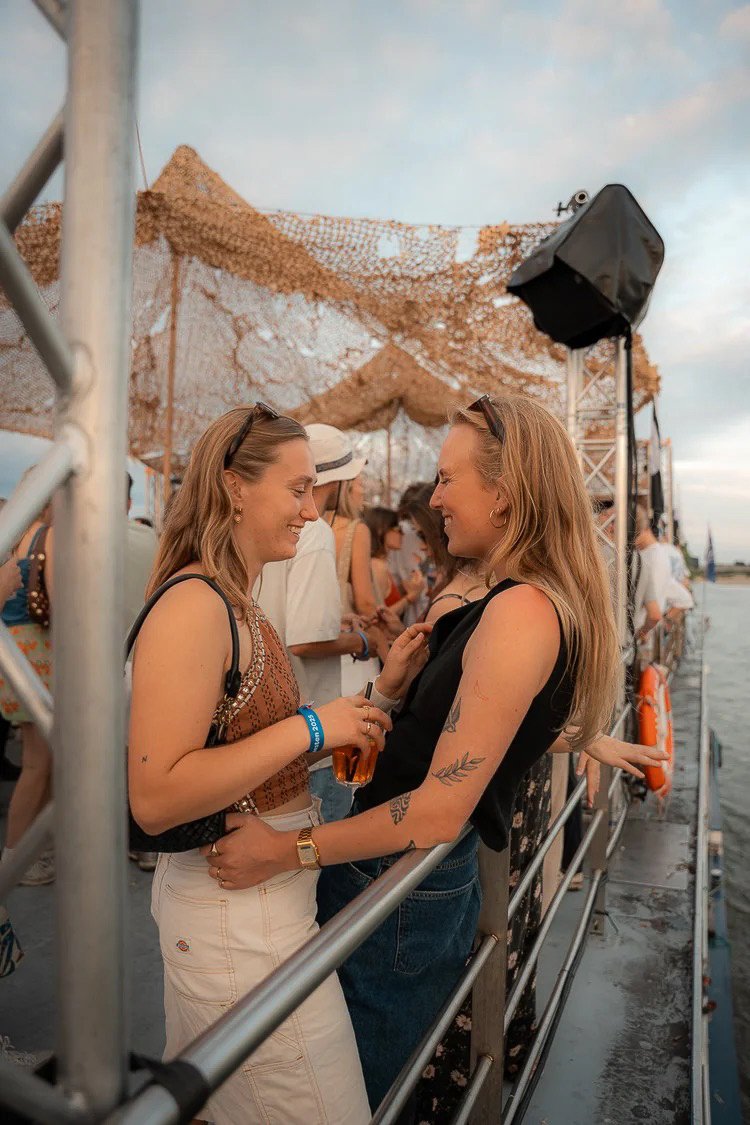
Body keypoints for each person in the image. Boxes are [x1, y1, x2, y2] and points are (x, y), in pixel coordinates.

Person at [202, 393, 667, 1109]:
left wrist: (282, 850)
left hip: (401, 884)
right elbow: (499, 727)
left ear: (506, 495)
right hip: (402, 878)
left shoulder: (518, 612)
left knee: (349, 1092)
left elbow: (438, 810)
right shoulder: (519, 600)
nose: (437, 495)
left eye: (449, 478)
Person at [128, 403, 427, 1124]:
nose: (309, 511)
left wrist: (366, 704)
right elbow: (157, 794)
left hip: (256, 913)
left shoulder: (238, 597)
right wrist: (315, 724)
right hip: (238, 923)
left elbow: (242, 739)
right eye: (296, 490)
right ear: (234, 486)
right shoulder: (196, 604)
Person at [256, 423, 386, 823]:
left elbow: (280, 615)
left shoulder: (272, 524)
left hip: (271, 730)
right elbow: (306, 642)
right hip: (311, 734)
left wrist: (340, 621)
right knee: (317, 866)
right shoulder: (314, 530)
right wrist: (363, 641)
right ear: (343, 479)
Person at [0, 493, 54, 887]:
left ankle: (31, 851)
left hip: (19, 651)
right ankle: (17, 855)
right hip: (37, 655)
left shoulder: (16, 536)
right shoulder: (45, 537)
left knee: (42, 759)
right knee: (39, 761)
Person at [363, 505, 425, 618]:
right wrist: (411, 597)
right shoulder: (377, 566)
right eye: (398, 529)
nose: (403, 534)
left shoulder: (380, 564)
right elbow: (377, 616)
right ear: (382, 530)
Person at [634, 503, 672, 642]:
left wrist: (641, 633)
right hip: (643, 629)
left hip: (639, 631)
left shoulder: (650, 558)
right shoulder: (658, 554)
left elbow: (653, 612)